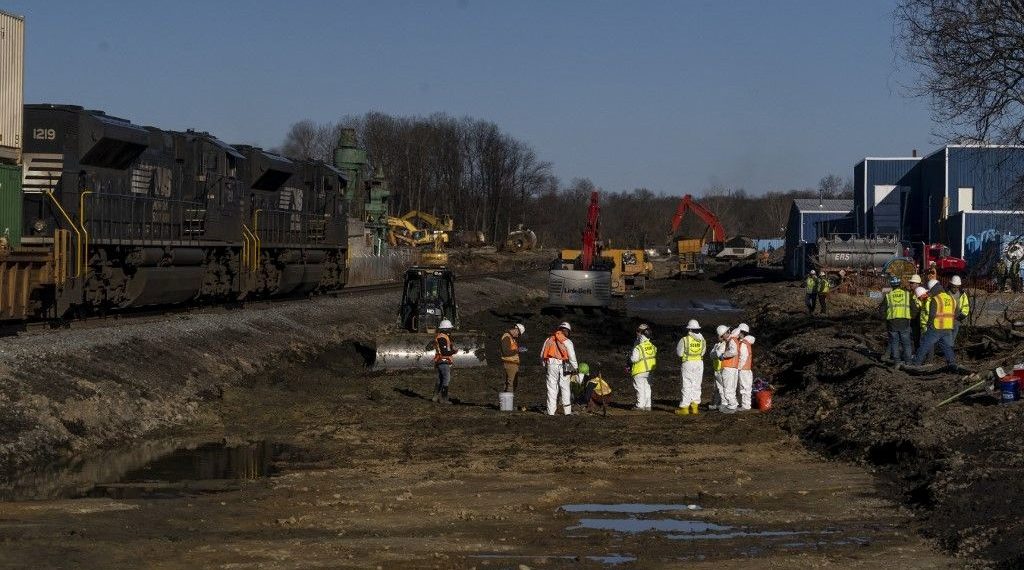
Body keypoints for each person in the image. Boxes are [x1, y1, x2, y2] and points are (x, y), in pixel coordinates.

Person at [912, 282, 957, 368]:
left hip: (936, 327)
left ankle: (916, 363)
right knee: (947, 347)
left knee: (925, 344)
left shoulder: (935, 299)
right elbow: (956, 312)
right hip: (948, 327)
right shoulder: (951, 299)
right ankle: (952, 364)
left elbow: (932, 315)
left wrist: (929, 326)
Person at [541, 322, 578, 416]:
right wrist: (575, 367)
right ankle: (567, 412)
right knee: (565, 388)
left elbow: (542, 354)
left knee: (551, 389)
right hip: (563, 365)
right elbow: (572, 355)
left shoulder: (549, 339)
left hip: (550, 365)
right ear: (567, 331)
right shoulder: (567, 341)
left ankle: (551, 412)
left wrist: (544, 364)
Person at [879, 276, 913, 364]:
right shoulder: (907, 294)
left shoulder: (888, 296)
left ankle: (896, 361)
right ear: (899, 284)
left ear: (891, 285)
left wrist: (886, 318)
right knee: (906, 343)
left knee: (894, 343)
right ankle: (908, 362)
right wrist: (911, 316)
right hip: (904, 322)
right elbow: (914, 308)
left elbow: (881, 310)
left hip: (892, 323)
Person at [675, 319, 706, 415]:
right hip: (699, 363)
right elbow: (703, 352)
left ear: (689, 329)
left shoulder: (684, 340)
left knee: (687, 385)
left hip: (688, 363)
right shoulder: (703, 340)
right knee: (697, 384)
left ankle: (684, 408)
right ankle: (695, 407)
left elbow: (679, 354)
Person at [630, 323, 657, 411]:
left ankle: (640, 405)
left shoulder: (638, 346)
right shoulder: (652, 346)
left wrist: (629, 359)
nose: (637, 333)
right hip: (649, 370)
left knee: (640, 388)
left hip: (639, 370)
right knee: (647, 388)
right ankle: (647, 405)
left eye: (639, 331)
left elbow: (634, 359)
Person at [432, 319, 458, 404]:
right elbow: (444, 352)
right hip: (443, 361)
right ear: (446, 329)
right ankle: (444, 399)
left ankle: (435, 397)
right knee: (446, 379)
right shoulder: (442, 338)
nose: (451, 330)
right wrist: (454, 351)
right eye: (450, 328)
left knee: (440, 380)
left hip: (440, 361)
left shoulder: (442, 337)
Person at [718, 327, 741, 413]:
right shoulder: (734, 340)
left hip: (729, 367)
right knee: (731, 388)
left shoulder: (731, 340)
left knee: (728, 388)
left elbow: (733, 351)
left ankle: (732, 406)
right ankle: (733, 404)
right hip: (733, 368)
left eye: (721, 335)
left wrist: (723, 355)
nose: (721, 338)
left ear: (724, 334)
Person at [499, 323, 526, 392]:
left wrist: (518, 350)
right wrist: (518, 350)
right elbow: (506, 352)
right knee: (511, 384)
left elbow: (511, 350)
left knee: (510, 383)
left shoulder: (510, 338)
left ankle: (506, 400)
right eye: (518, 334)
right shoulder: (506, 337)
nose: (517, 336)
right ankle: (508, 401)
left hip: (512, 363)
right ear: (516, 330)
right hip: (510, 363)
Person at [708, 325, 730, 411]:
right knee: (717, 388)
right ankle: (716, 403)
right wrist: (715, 353)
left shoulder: (725, 345)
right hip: (717, 369)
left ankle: (724, 403)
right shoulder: (717, 345)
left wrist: (715, 353)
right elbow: (711, 355)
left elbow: (716, 354)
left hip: (722, 368)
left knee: (722, 388)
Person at [735, 323, 756, 410]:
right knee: (746, 387)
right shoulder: (747, 342)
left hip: (743, 369)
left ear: (742, 332)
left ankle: (745, 405)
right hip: (746, 369)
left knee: (744, 388)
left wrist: (738, 367)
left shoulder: (743, 343)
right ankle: (744, 404)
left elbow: (743, 357)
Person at [949, 276, 970, 344]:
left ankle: (948, 352)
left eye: (957, 287)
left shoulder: (962, 294)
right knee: (947, 340)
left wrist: (960, 317)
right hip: (946, 320)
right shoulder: (945, 293)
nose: (955, 289)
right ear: (951, 285)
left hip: (956, 320)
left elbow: (966, 307)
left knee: (952, 340)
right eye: (954, 287)